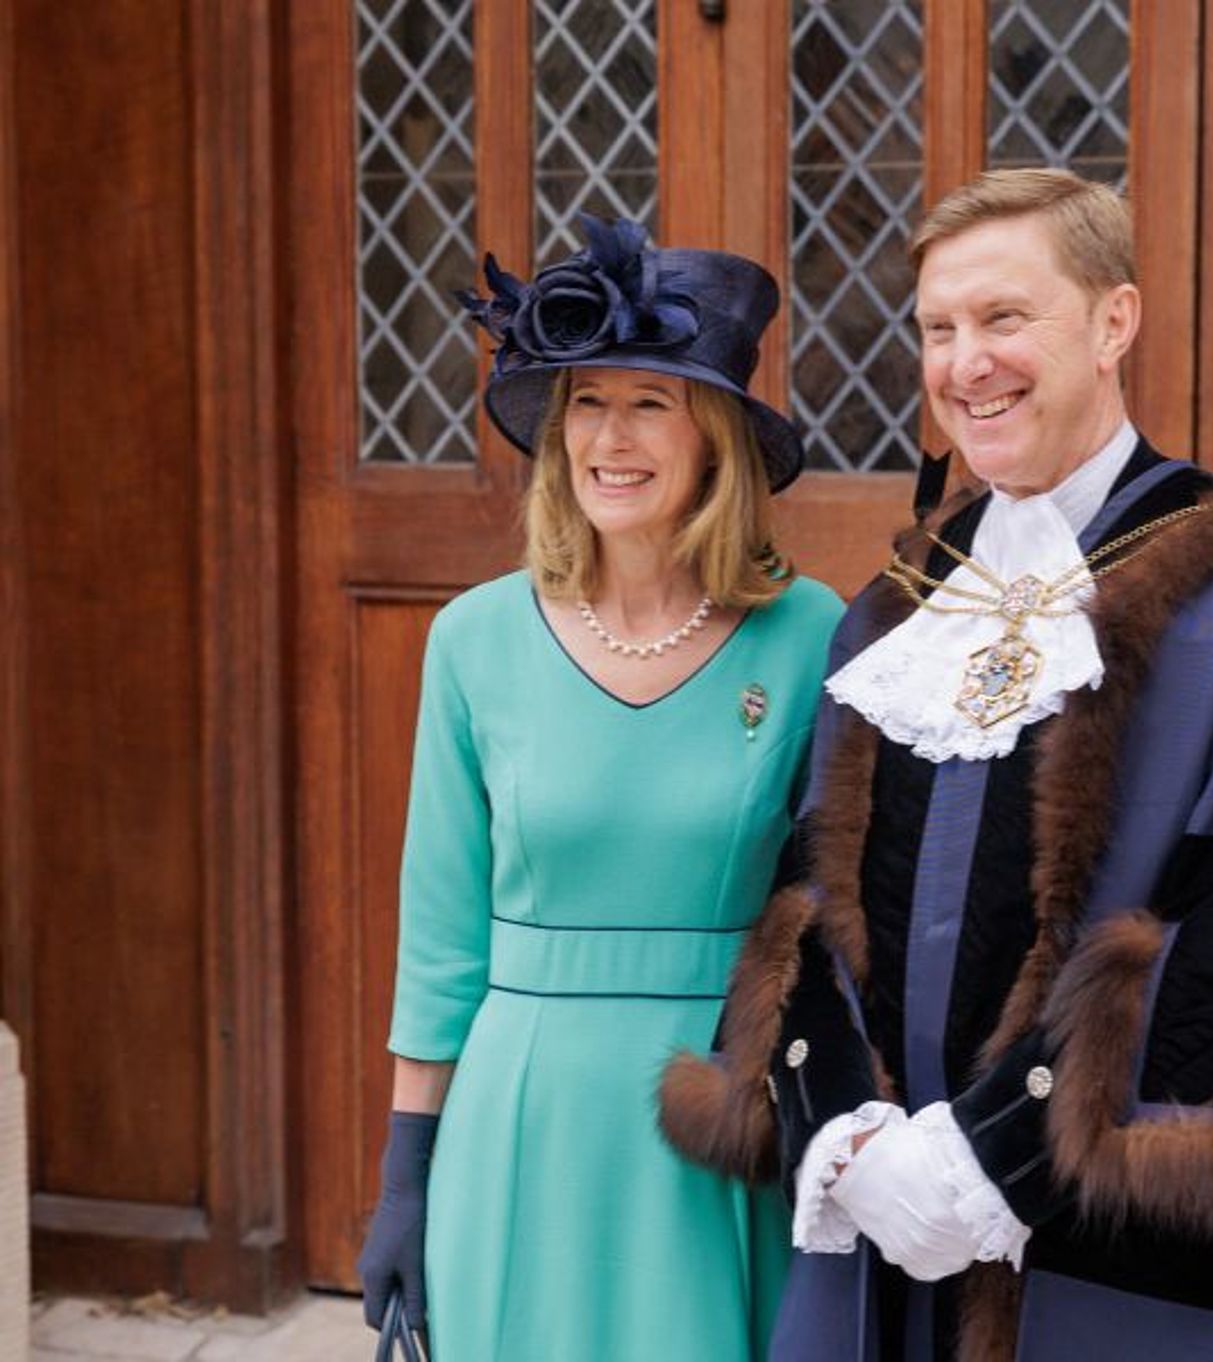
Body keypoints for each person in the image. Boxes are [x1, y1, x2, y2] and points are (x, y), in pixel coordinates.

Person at [659, 169, 1213, 1360]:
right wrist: (851, 1131)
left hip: (1117, 1248)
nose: (966, 365)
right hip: (883, 1230)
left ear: (1114, 323)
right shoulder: (896, 608)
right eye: (938, 331)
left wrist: (994, 1158)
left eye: (1005, 319)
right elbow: (809, 895)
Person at [356, 215, 843, 1362]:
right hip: (520, 1120)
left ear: (713, 437)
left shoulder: (811, 633)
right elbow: (439, 934)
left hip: (719, 1116)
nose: (609, 439)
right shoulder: (472, 639)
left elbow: (839, 914)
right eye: (587, 401)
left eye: (650, 404)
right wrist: (404, 1173)